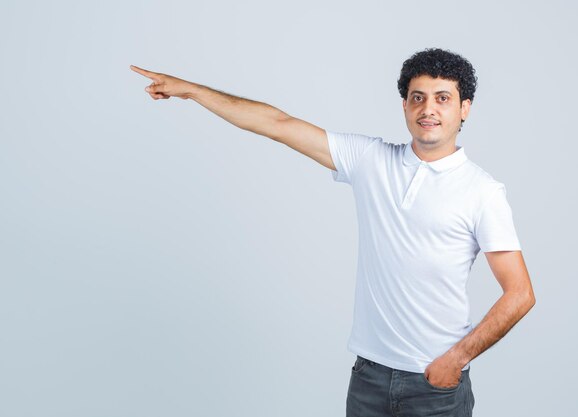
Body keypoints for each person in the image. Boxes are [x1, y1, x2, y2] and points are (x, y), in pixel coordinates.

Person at [130, 47, 536, 417]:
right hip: (369, 380)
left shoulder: (482, 191)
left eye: (442, 98)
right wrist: (194, 92)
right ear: (405, 106)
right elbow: (277, 124)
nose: (428, 108)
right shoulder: (371, 161)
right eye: (418, 97)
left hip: (435, 387)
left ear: (464, 109)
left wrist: (455, 360)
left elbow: (520, 293)